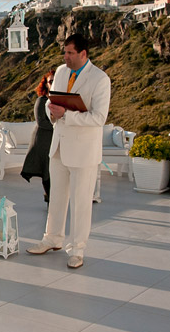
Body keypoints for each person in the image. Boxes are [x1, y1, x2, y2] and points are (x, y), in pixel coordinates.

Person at [26, 33, 110, 269]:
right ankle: (52, 239)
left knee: (81, 203)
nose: (66, 57)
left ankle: (77, 250)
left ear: (84, 53)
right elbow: (52, 102)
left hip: (83, 151)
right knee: (57, 198)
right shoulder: (61, 72)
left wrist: (68, 115)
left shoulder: (100, 79)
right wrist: (52, 112)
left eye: (70, 53)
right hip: (59, 146)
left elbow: (99, 118)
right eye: (65, 52)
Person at [20, 71, 55, 203]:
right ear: (45, 84)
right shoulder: (42, 100)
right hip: (42, 140)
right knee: (46, 169)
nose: (53, 83)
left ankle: (51, 197)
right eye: (51, 81)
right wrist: (60, 126)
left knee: (53, 169)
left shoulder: (60, 100)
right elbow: (41, 121)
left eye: (55, 81)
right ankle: (49, 197)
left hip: (54, 139)